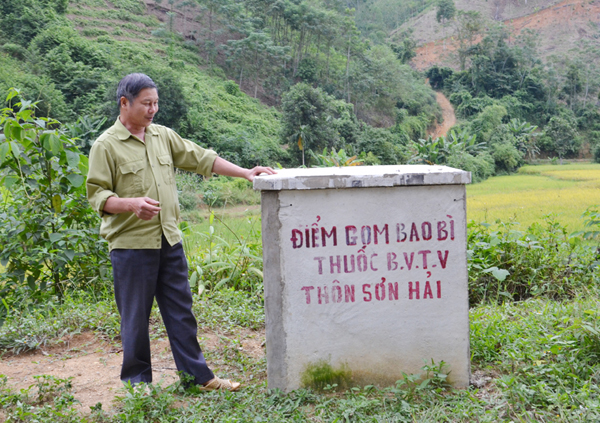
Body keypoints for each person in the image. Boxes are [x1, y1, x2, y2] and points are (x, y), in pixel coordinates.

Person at [86, 73, 275, 391]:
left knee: (181, 312)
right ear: (124, 103)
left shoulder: (162, 136)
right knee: (135, 317)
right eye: (146, 103)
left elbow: (201, 158)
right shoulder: (106, 146)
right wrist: (130, 204)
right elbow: (98, 196)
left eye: (156, 103)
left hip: (168, 240)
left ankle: (198, 378)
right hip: (131, 245)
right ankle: (138, 382)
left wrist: (245, 172)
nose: (153, 110)